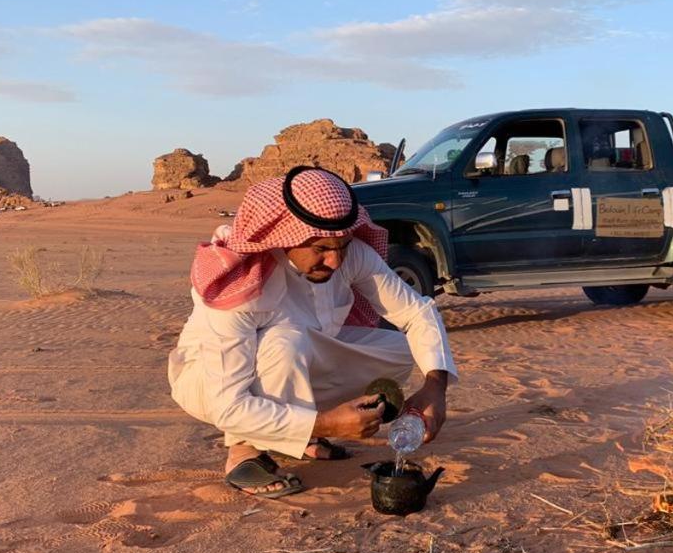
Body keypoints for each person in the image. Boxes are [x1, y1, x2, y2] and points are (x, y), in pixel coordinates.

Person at [168, 166, 457, 498]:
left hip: (298, 356)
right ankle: (244, 451)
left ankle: (302, 432)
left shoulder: (349, 254)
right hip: (211, 383)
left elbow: (416, 311)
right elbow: (227, 406)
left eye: (343, 246)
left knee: (400, 349)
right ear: (285, 237)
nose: (335, 261)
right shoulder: (242, 281)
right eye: (321, 249)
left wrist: (435, 387)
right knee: (285, 342)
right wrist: (328, 424)